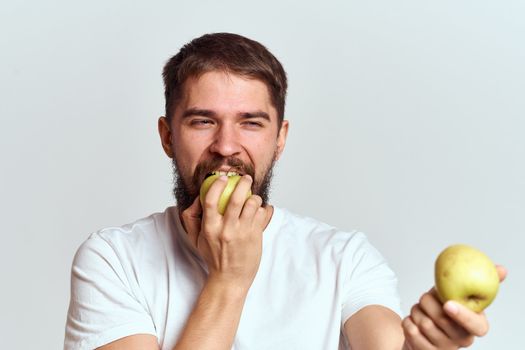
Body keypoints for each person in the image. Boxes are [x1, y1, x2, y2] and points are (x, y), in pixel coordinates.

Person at [64, 32, 506, 350]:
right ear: (166, 136)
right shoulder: (112, 259)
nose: (226, 146)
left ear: (280, 138)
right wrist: (229, 279)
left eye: (251, 123)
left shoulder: (343, 258)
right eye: (202, 121)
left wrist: (429, 344)